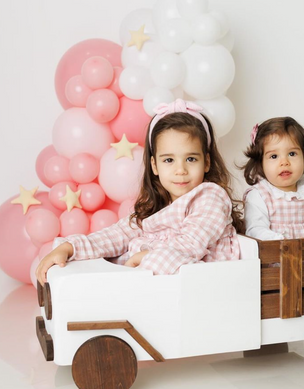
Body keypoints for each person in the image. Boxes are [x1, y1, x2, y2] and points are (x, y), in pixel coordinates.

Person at [36, 99, 243, 284]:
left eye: (191, 159)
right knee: (108, 259)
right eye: (169, 160)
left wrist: (145, 256)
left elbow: (190, 245)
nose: (180, 170)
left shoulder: (210, 196)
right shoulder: (158, 206)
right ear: (154, 166)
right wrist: (71, 248)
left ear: (206, 162)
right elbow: (118, 234)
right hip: (165, 288)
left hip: (204, 287)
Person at [241, 116, 304, 241]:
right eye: (274, 156)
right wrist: (281, 242)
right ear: (260, 161)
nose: (284, 162)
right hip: (275, 258)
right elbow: (255, 230)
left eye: (292, 154)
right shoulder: (259, 195)